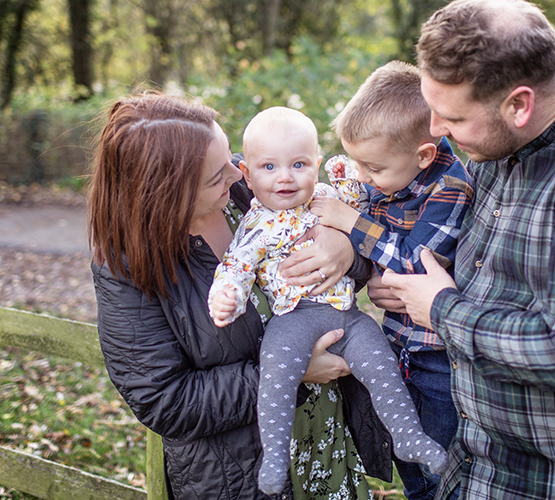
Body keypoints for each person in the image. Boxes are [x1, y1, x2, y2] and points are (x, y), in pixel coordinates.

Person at [89, 92, 392, 499]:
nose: (236, 174)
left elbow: (335, 276)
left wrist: (346, 251)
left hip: (325, 440)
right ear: (167, 194)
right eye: (218, 176)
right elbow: (164, 401)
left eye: (231, 162)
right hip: (239, 474)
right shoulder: (127, 267)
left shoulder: (247, 189)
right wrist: (290, 372)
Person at [207, 106, 448, 496]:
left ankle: (408, 436)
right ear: (248, 176)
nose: (285, 177)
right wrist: (228, 298)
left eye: (299, 164)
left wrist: (347, 205)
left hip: (347, 316)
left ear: (315, 166)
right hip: (294, 319)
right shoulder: (255, 223)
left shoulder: (326, 198)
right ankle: (274, 456)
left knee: (380, 363)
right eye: (269, 168)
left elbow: (358, 194)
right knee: (277, 371)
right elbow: (236, 268)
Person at [374, 1, 555, 498]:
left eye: (451, 115)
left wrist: (439, 309)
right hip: (465, 461)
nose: (434, 129)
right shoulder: (486, 149)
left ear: (518, 105)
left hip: (529, 480)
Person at [309, 61, 473, 500]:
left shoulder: (450, 187)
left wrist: (351, 222)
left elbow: (415, 263)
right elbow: (372, 254)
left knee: (440, 463)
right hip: (397, 342)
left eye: (373, 168)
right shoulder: (383, 177)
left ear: (422, 155)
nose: (363, 177)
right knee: (405, 449)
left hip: (438, 357)